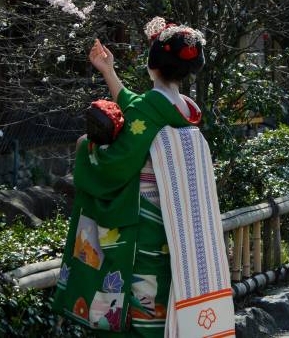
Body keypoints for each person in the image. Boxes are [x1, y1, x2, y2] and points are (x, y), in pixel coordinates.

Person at [54, 18, 235, 336]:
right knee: (162, 295)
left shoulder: (150, 111)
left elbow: (113, 166)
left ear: (152, 65)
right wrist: (108, 72)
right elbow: (138, 109)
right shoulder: (185, 110)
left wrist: (86, 149)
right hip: (171, 228)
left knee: (137, 313)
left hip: (142, 229)